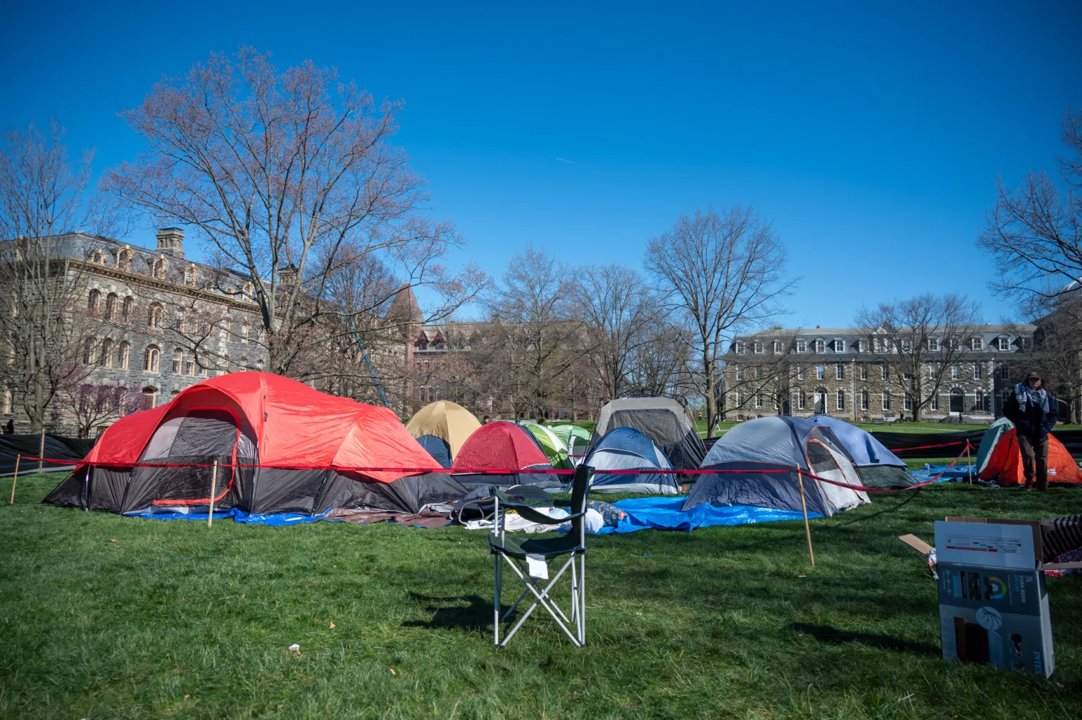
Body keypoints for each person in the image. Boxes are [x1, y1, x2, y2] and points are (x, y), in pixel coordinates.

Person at [1003, 371, 1059, 490]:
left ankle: (1042, 485)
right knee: (1028, 456)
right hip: (1024, 431)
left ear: (1041, 381)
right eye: (1031, 379)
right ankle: (1028, 482)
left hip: (1041, 431)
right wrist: (1019, 421)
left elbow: (1053, 414)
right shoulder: (1018, 393)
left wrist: (1046, 428)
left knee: (1042, 459)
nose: (1034, 382)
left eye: (1036, 379)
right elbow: (1007, 410)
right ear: (1027, 381)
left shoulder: (1046, 396)